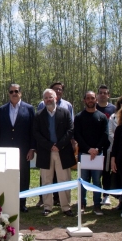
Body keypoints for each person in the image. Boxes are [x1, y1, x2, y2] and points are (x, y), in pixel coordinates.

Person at [34, 88, 75, 216]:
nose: (48, 100)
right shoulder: (38, 115)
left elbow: (70, 130)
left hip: (62, 152)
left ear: (56, 98)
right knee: (46, 180)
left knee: (64, 180)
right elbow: (36, 133)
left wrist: (59, 145)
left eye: (50, 97)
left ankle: (66, 207)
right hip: (46, 152)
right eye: (45, 98)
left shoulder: (65, 112)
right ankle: (47, 207)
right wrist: (50, 146)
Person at [0, 84, 36, 212]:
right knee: (6, 175)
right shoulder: (2, 110)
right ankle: (6, 202)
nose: (14, 93)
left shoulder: (29, 109)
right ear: (8, 93)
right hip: (6, 149)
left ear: (21, 93)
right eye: (11, 91)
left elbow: (33, 130)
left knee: (23, 176)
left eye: (16, 91)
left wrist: (32, 148)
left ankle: (21, 203)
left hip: (23, 150)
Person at [74, 91, 109, 215]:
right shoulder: (79, 117)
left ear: (96, 100)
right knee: (83, 180)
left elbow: (105, 134)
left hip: (98, 155)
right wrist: (88, 149)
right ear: (84, 100)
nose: (90, 100)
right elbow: (77, 134)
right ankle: (82, 204)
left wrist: (97, 149)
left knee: (97, 181)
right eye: (88, 98)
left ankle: (97, 205)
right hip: (84, 154)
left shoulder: (102, 116)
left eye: (92, 98)